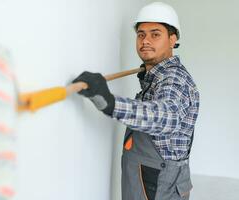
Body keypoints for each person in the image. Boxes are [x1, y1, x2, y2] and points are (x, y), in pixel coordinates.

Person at [72, 2, 199, 200]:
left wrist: (110, 102)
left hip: (158, 184)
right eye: (141, 34)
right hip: (149, 178)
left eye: (155, 34)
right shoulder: (154, 76)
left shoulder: (174, 79)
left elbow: (165, 117)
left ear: (173, 39)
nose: (145, 41)